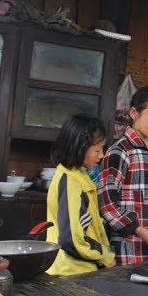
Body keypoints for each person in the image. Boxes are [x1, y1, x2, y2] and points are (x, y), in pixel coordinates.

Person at [98, 85, 148, 265]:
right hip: (130, 249)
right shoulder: (120, 152)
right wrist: (138, 229)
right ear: (133, 113)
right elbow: (107, 205)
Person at [46, 115, 115, 275]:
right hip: (71, 271)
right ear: (79, 147)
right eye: (97, 150)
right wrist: (104, 257)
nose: (102, 155)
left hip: (79, 268)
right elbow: (71, 239)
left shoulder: (77, 175)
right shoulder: (71, 181)